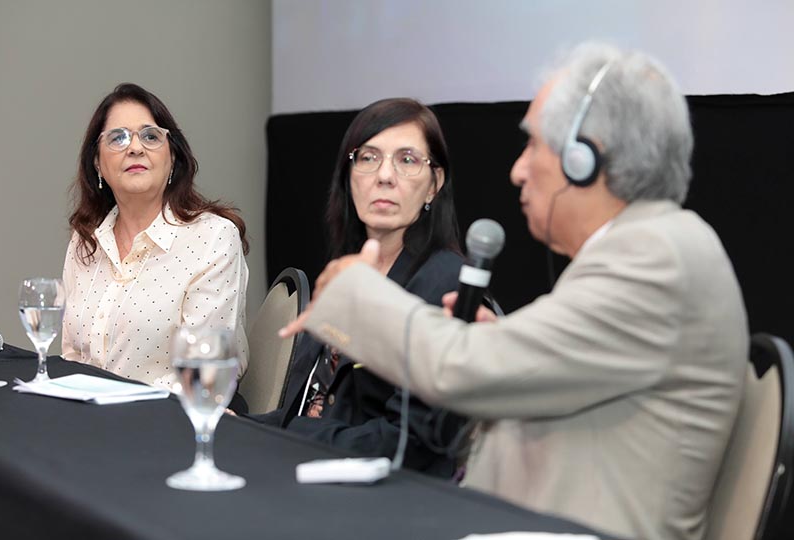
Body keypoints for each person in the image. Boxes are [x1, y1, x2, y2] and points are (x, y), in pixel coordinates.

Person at [280, 43, 748, 540]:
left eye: (533, 146)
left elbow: (458, 367)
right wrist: (500, 346)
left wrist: (355, 294)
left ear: (583, 159)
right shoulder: (645, 247)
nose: (517, 170)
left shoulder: (655, 259)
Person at [250, 98, 467, 477]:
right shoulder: (347, 269)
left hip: (388, 492)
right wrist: (239, 424)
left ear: (434, 184)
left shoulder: (446, 282)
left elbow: (410, 442)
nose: (385, 176)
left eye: (407, 160)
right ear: (348, 176)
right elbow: (307, 406)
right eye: (368, 157)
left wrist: (287, 435)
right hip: (311, 468)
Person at [61, 83, 250, 393]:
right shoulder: (85, 242)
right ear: (97, 163)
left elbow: (205, 375)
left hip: (170, 414)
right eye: (118, 138)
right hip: (86, 414)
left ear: (172, 156)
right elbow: (72, 358)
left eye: (150, 136)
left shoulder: (212, 238)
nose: (135, 148)